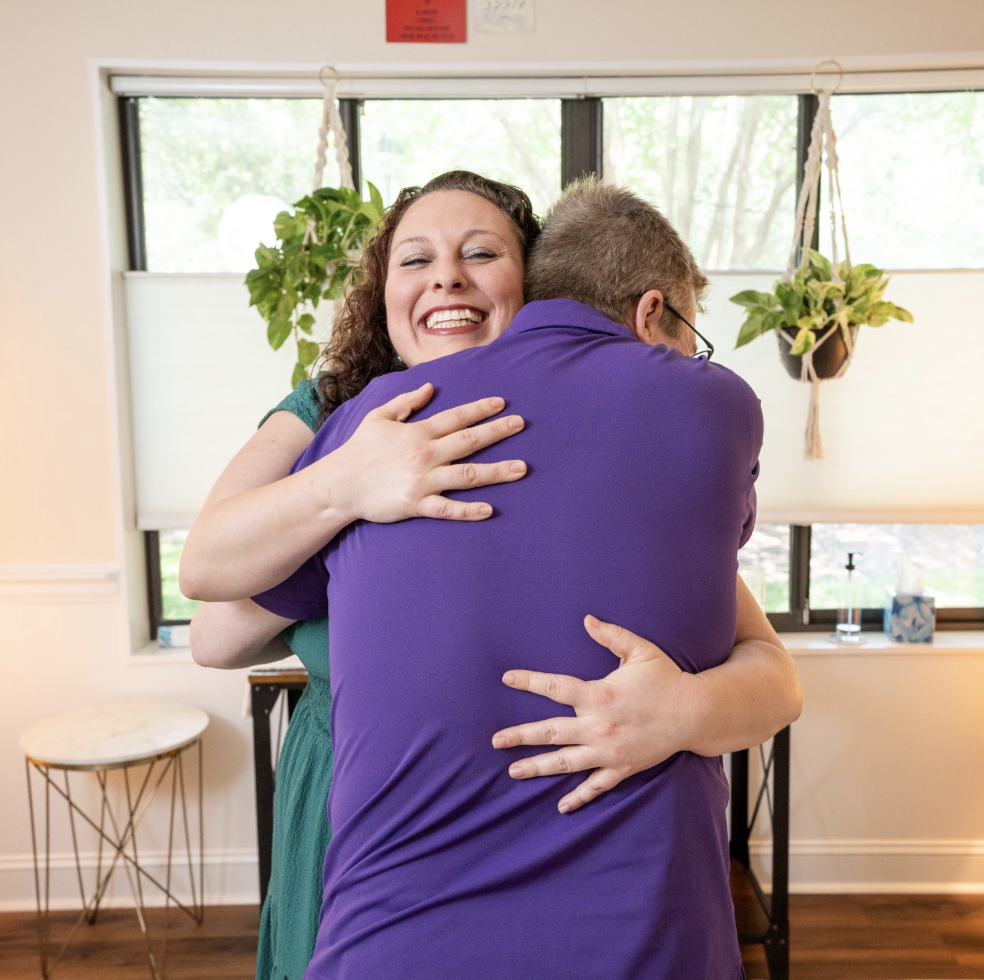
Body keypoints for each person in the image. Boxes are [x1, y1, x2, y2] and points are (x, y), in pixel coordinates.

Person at [240, 175, 796, 979]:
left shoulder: (370, 426)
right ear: (650, 315)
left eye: (478, 255)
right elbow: (771, 670)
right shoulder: (712, 404)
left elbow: (222, 614)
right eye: (687, 333)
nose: (447, 281)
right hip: (642, 939)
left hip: (392, 944)